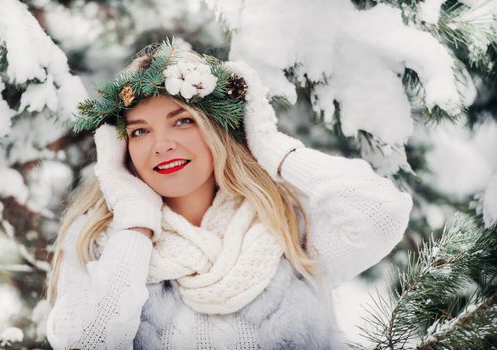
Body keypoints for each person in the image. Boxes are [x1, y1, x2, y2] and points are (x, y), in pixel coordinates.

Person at [45, 40, 413, 349]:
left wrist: (270, 147)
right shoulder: (100, 240)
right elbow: (87, 340)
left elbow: (382, 214)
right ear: (119, 148)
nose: (161, 145)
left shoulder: (283, 224)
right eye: (140, 132)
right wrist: (135, 220)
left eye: (182, 121)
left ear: (217, 129)